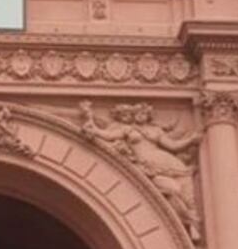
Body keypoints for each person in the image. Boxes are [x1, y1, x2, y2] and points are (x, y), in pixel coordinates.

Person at [80, 101, 202, 241]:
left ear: (148, 115)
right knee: (173, 189)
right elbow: (108, 135)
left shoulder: (156, 130)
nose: (140, 115)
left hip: (167, 162)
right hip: (147, 167)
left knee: (184, 192)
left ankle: (192, 223)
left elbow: (173, 146)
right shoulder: (127, 129)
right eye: (138, 113)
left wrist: (191, 140)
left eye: (143, 113)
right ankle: (186, 220)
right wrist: (94, 129)